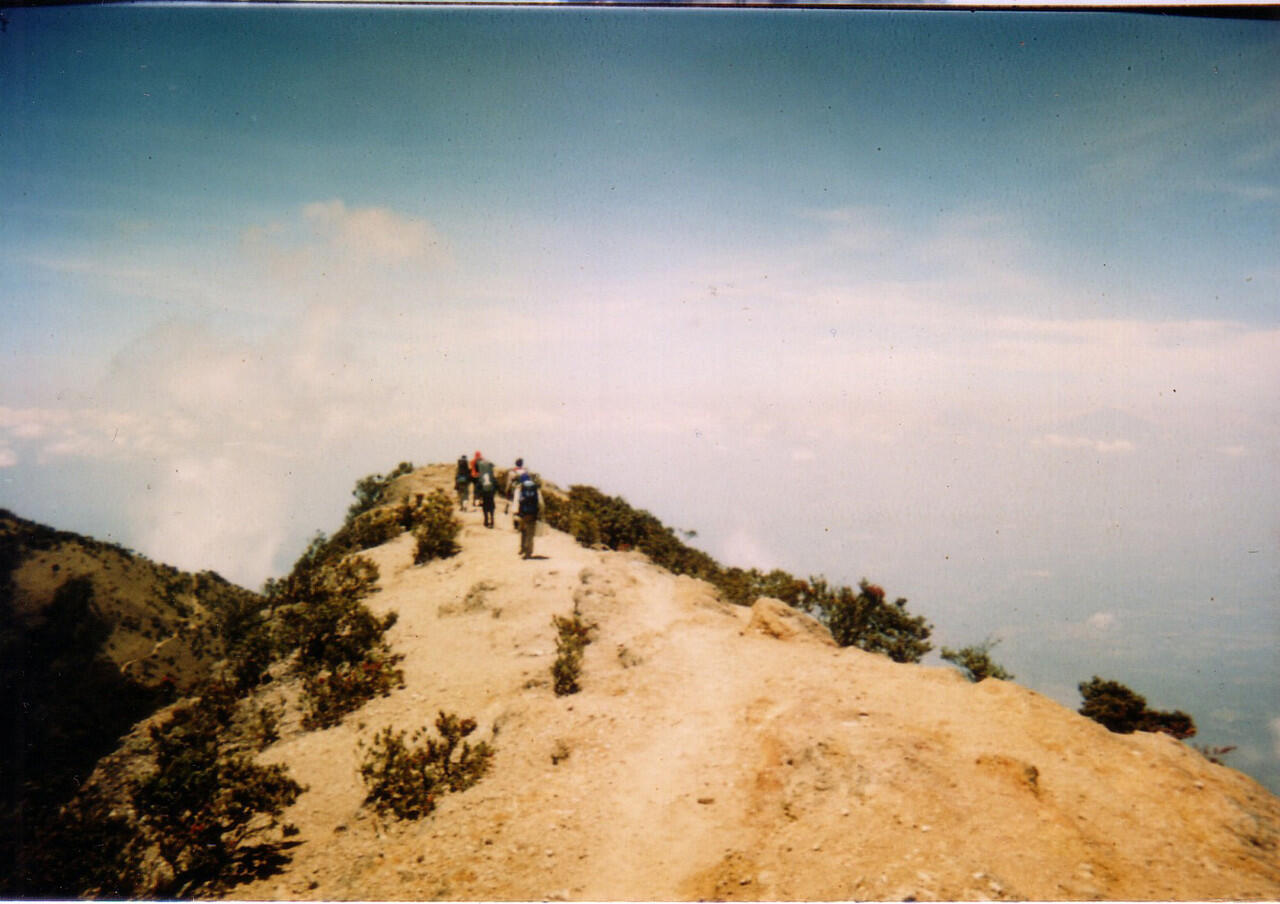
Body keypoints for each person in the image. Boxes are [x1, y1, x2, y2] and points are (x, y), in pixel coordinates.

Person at [513, 471, 543, 559]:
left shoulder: (520, 488)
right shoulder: (535, 488)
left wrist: (515, 513)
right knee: (530, 533)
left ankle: (523, 548)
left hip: (522, 513)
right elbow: (540, 502)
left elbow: (516, 501)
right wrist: (540, 512)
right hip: (533, 513)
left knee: (523, 531)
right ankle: (529, 552)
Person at [475, 453, 498, 528]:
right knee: (491, 506)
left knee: (485, 507)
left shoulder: (481, 477)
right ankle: (492, 520)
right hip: (491, 492)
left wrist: (477, 496)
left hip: (484, 493)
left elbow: (478, 487)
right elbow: (496, 484)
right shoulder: (491, 476)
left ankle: (486, 521)